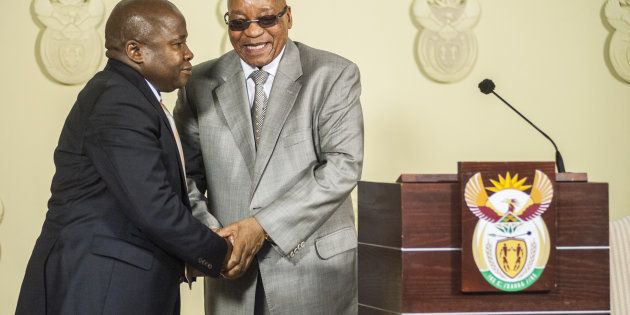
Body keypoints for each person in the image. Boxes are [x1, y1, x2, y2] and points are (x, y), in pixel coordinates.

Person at [16, 1, 231, 314]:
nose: (188, 54)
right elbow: (155, 208)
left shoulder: (129, 96)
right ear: (135, 51)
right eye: (177, 43)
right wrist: (221, 252)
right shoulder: (119, 102)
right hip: (100, 289)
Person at [174, 0, 364, 313]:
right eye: (238, 22)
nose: (252, 32)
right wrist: (216, 243)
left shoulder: (333, 74)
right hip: (232, 276)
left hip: (315, 273)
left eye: (266, 19)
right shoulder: (198, 83)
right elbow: (185, 177)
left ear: (288, 17)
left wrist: (262, 226)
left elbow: (342, 167)